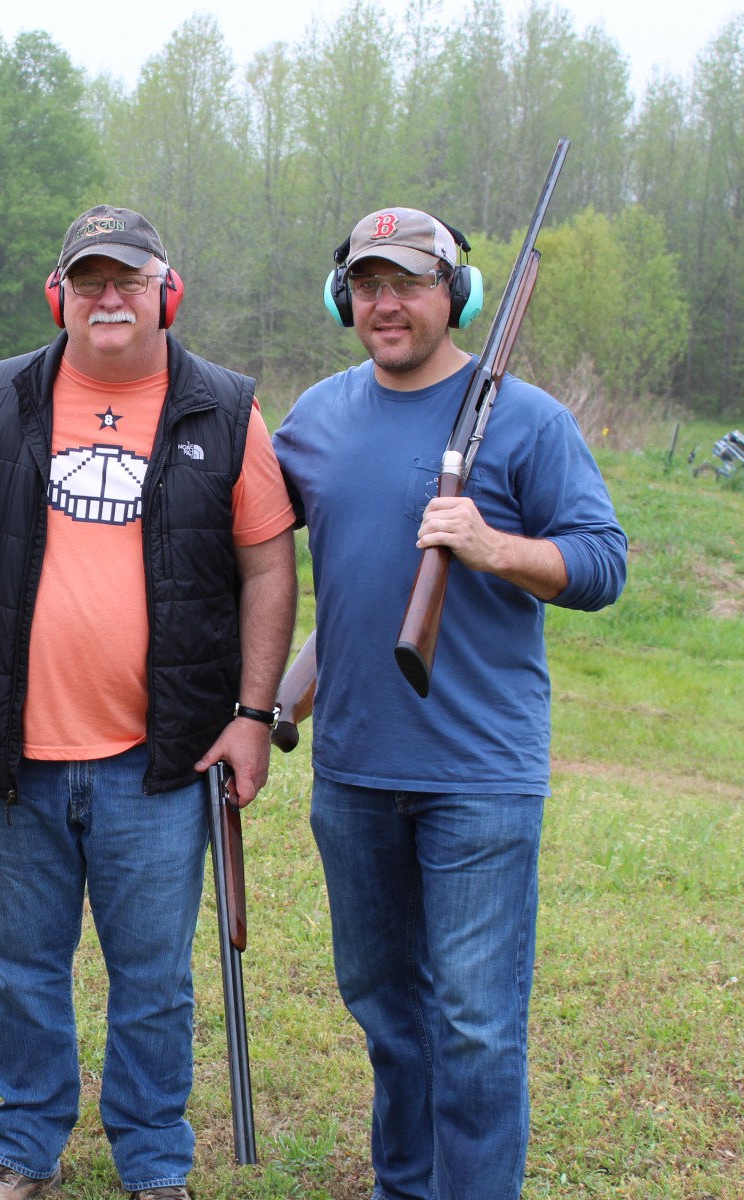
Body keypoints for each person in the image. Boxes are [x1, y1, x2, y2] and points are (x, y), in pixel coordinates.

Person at [0, 206, 297, 1200]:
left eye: (129, 279)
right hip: (15, 756)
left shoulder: (225, 409)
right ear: (60, 296)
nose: (108, 297)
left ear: (169, 292)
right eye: (89, 280)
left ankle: (154, 1163)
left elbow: (268, 568)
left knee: (154, 983)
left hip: (159, 761)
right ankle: (22, 1150)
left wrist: (252, 716)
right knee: (23, 973)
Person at [273, 207, 628, 1199]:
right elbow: (265, 555)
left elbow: (603, 562)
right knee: (387, 1012)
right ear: (342, 299)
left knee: (475, 1026)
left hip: (479, 776)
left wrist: (493, 546)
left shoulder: (530, 420)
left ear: (456, 296)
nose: (386, 303)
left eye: (410, 282)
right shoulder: (315, 418)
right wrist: (265, 703)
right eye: (368, 284)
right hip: (351, 771)